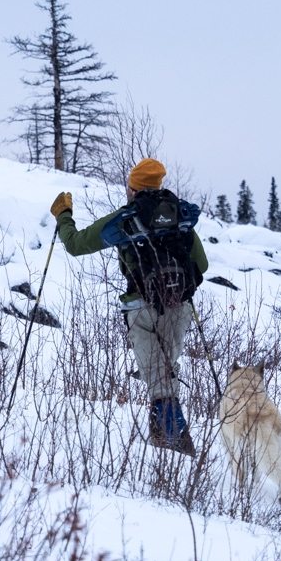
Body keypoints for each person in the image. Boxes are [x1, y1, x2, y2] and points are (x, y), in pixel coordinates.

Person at [49, 158, 208, 454]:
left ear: (133, 188)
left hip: (142, 307)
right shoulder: (180, 216)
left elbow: (76, 245)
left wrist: (63, 215)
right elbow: (202, 264)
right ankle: (164, 449)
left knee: (159, 383)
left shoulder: (125, 220)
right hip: (180, 306)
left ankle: (177, 448)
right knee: (164, 378)